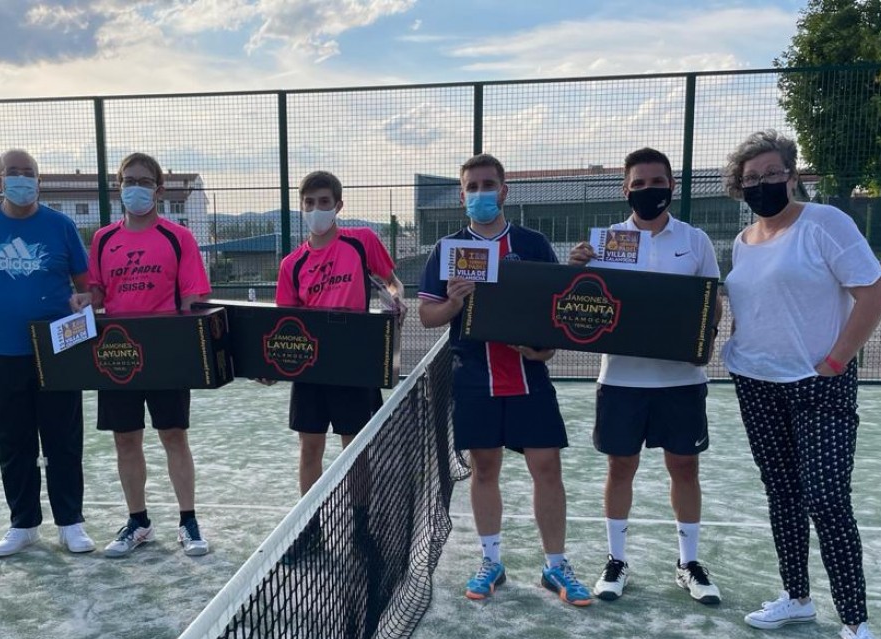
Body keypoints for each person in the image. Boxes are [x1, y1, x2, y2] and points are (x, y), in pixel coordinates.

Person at [722, 129, 881, 639]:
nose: (763, 184)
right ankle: (796, 598)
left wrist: (836, 361)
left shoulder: (826, 224)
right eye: (751, 178)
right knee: (782, 492)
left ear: (792, 174)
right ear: (739, 186)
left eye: (772, 173)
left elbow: (875, 293)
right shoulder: (742, 241)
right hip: (755, 382)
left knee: (827, 499)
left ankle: (856, 623)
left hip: (821, 384)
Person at [417, 153, 591, 606]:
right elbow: (428, 314)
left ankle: (556, 566)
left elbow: (553, 313)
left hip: (529, 376)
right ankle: (491, 561)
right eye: (472, 187)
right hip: (474, 375)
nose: (480, 194)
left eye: (488, 185)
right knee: (485, 469)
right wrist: (455, 303)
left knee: (547, 469)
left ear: (505, 190)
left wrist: (544, 349)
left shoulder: (533, 244)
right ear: (461, 196)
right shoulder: (448, 250)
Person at [567, 148, 723, 605]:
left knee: (684, 467)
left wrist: (703, 343)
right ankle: (616, 561)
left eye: (657, 182)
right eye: (639, 183)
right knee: (620, 467)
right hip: (621, 379)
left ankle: (688, 563)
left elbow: (710, 300)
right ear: (626, 189)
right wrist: (576, 268)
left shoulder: (695, 241)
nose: (648, 190)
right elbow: (582, 300)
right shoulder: (606, 242)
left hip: (681, 380)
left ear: (671, 187)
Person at [70, 152, 211, 559]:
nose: (136, 187)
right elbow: (98, 292)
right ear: (119, 187)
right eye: (128, 180)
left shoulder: (177, 237)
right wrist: (85, 298)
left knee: (173, 436)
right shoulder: (103, 239)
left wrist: (186, 351)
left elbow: (192, 298)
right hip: (115, 354)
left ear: (158, 189)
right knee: (125, 439)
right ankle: (138, 521)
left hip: (164, 353)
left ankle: (188, 521)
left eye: (144, 181)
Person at [0, 149, 95, 558]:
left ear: (39, 180)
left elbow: (83, 284)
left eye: (28, 173)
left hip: (56, 350)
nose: (21, 179)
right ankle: (24, 524)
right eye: (12, 173)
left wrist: (83, 301)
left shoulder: (61, 225)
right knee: (12, 442)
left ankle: (71, 523)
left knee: (63, 440)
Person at [272, 170, 405, 553]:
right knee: (309, 447)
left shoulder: (362, 242)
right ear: (302, 207)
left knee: (355, 448)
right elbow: (287, 327)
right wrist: (271, 367)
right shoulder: (291, 265)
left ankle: (361, 529)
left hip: (354, 363)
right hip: (312, 370)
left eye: (324, 202)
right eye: (310, 203)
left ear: (338, 206)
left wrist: (395, 297)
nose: (317, 209)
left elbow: (392, 281)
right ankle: (310, 529)